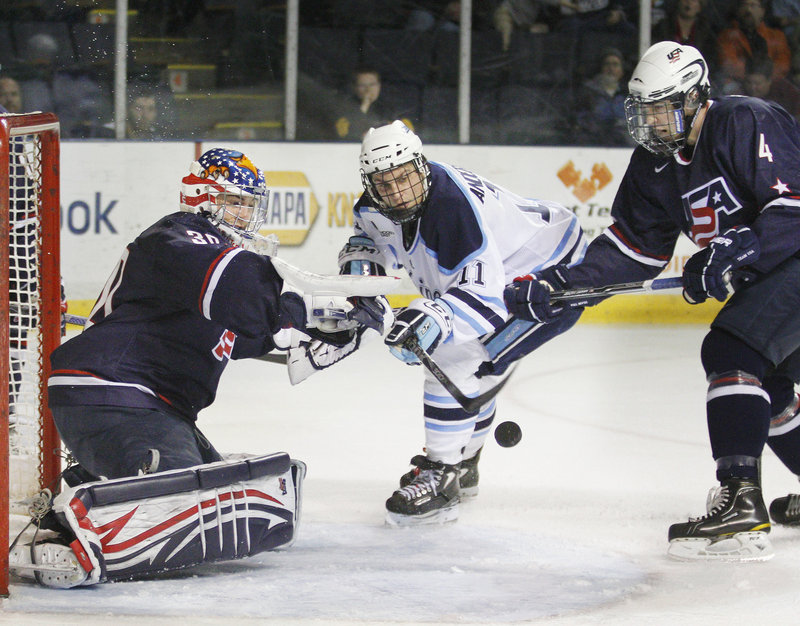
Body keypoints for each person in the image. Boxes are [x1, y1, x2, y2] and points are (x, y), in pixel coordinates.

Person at [9, 147, 387, 587]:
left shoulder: (212, 262)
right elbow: (245, 292)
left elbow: (256, 332)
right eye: (234, 201)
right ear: (202, 197)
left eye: (249, 204)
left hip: (144, 406)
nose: (245, 214)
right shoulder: (178, 238)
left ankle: (86, 489)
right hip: (114, 394)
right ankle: (61, 544)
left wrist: (335, 326)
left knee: (223, 502)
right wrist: (306, 306)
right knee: (185, 510)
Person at [504, 41, 800, 561]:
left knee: (731, 353)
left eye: (662, 108)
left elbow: (793, 203)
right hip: (775, 277)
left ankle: (741, 501)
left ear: (693, 98)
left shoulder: (742, 119)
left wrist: (736, 247)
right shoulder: (654, 164)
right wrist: (564, 284)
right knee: (765, 379)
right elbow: (631, 251)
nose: (651, 122)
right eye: (644, 111)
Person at [339, 120, 588, 526]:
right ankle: (462, 464)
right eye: (384, 184)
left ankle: (443, 474)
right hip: (510, 265)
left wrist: (437, 316)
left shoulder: (451, 208)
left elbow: (484, 296)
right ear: (369, 182)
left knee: (455, 357)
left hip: (549, 268)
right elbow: (370, 241)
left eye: (404, 178)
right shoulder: (373, 206)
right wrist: (362, 275)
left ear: (421, 166)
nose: (397, 192)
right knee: (477, 365)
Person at [716, 0, 792, 93]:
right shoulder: (727, 36)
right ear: (738, 10)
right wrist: (753, 79)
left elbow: (783, 65)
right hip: (739, 85)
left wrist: (764, 80)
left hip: (772, 84)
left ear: (762, 11)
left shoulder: (777, 36)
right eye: (744, 5)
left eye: (753, 5)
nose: (748, 9)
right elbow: (729, 64)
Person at [574, 47, 636, 146]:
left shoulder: (628, 94)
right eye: (607, 64)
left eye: (615, 65)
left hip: (624, 145)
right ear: (600, 68)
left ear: (622, 70)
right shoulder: (588, 92)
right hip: (594, 143)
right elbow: (581, 118)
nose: (611, 69)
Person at [651, 0, 717, 71]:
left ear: (700, 6)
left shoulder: (706, 32)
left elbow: (710, 60)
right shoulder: (663, 27)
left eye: (694, 1)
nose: (689, 2)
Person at [742, 54, 800, 119]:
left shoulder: (787, 94)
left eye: (757, 83)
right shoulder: (739, 94)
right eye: (748, 82)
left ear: (769, 81)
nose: (752, 88)